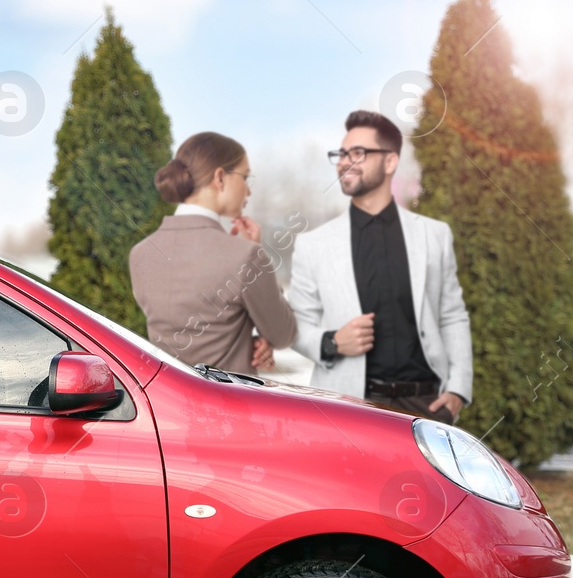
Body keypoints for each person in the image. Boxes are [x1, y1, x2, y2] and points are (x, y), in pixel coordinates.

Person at [286, 110, 472, 421]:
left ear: (390, 162)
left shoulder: (435, 235)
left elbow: (452, 315)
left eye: (357, 153)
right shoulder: (313, 245)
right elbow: (294, 326)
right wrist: (331, 342)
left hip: (427, 406)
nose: (345, 162)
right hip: (347, 406)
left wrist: (458, 389)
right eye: (341, 154)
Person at [129, 131, 296, 375]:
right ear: (220, 178)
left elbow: (193, 331)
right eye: (245, 177)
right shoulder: (247, 256)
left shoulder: (140, 255)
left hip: (165, 406)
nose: (248, 191)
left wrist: (244, 339)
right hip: (231, 408)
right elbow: (283, 333)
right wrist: (258, 256)